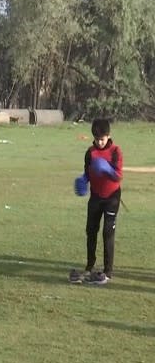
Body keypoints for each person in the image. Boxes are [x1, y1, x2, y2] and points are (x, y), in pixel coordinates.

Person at [71, 118, 123, 285]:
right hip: (95, 196)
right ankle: (89, 266)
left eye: (103, 139)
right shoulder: (90, 152)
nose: (100, 142)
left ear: (108, 136)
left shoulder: (116, 151)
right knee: (91, 231)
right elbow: (87, 172)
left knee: (108, 233)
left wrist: (107, 169)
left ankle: (108, 271)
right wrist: (82, 180)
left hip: (112, 197)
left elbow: (118, 175)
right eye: (97, 139)